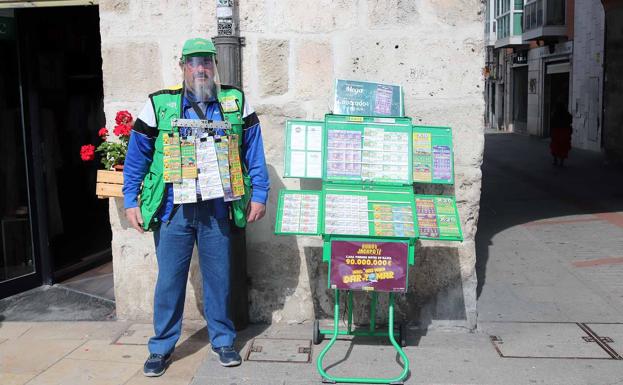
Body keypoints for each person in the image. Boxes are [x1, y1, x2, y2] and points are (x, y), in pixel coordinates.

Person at [122, 37, 270, 377]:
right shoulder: (159, 104)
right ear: (182, 68)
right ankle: (161, 346)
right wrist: (132, 200)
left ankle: (223, 340)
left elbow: (253, 151)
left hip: (217, 208)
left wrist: (259, 194)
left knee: (219, 278)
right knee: (170, 279)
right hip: (173, 209)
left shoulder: (236, 102)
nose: (200, 68)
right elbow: (137, 157)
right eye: (193, 62)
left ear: (214, 67)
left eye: (206, 62)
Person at [549, 102, 573, 166]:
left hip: (557, 131)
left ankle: (555, 160)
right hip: (564, 132)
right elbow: (570, 120)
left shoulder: (555, 113)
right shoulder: (566, 113)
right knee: (563, 147)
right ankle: (561, 162)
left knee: (555, 146)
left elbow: (552, 122)